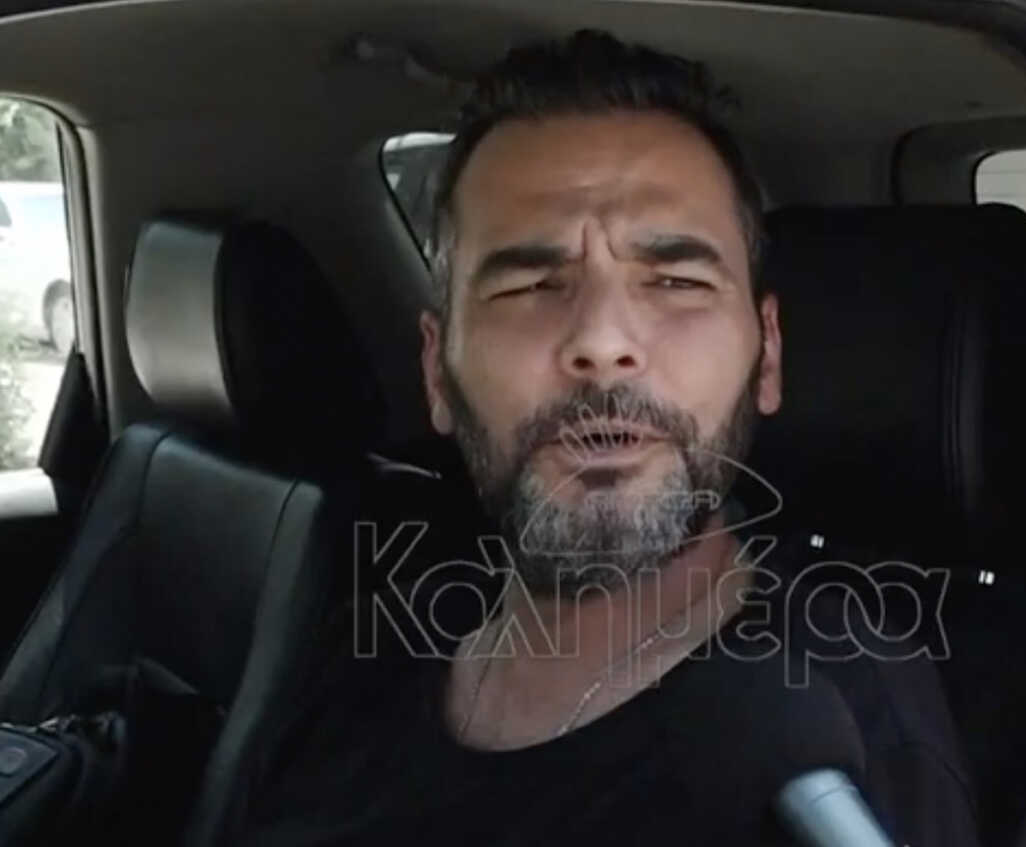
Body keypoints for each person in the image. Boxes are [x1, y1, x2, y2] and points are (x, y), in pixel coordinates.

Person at [232, 30, 980, 847]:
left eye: (676, 280)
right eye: (530, 284)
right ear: (437, 373)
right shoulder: (366, 648)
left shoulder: (836, 755)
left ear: (767, 356)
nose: (602, 341)